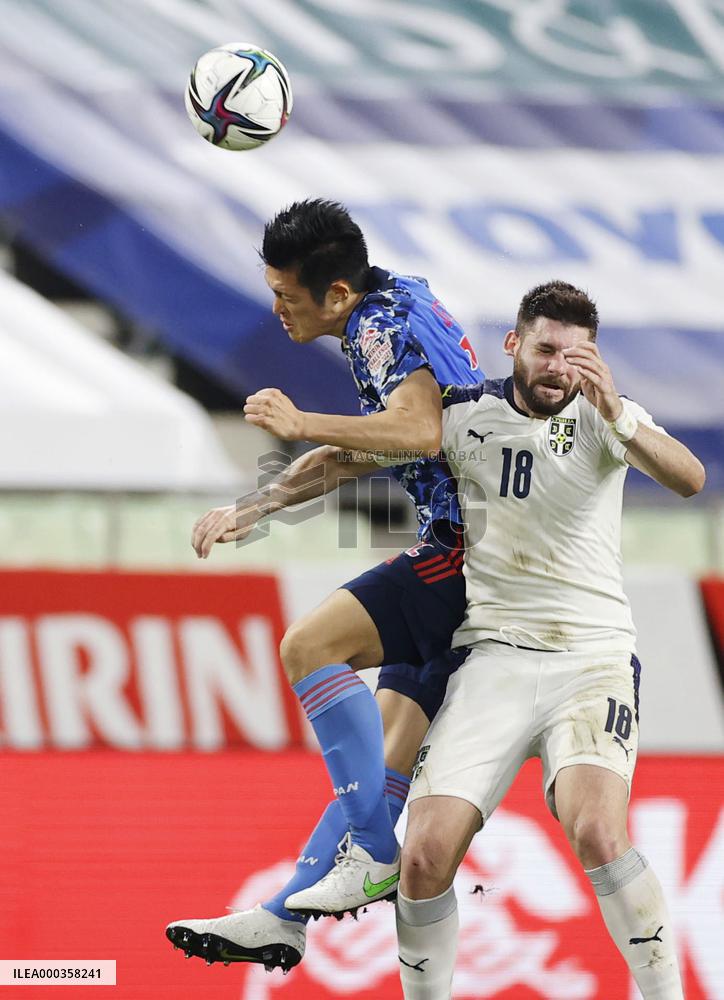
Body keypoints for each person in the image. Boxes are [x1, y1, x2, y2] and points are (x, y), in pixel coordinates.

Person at [166, 199, 483, 969]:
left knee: (309, 646)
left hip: (468, 554)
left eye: (287, 295)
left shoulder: (376, 329)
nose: (276, 309)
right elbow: (363, 452)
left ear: (336, 293)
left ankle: (370, 850)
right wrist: (257, 507)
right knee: (382, 769)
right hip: (481, 553)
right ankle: (283, 917)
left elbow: (419, 432)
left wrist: (302, 420)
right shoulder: (394, 306)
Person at [395, 281, 704, 1000]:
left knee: (597, 829)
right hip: (492, 660)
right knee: (422, 857)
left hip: (590, 659)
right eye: (545, 349)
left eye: (575, 354)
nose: (558, 366)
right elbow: (368, 453)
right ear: (514, 345)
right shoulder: (465, 417)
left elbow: (689, 479)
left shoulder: (606, 417)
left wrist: (619, 414)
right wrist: (261, 499)